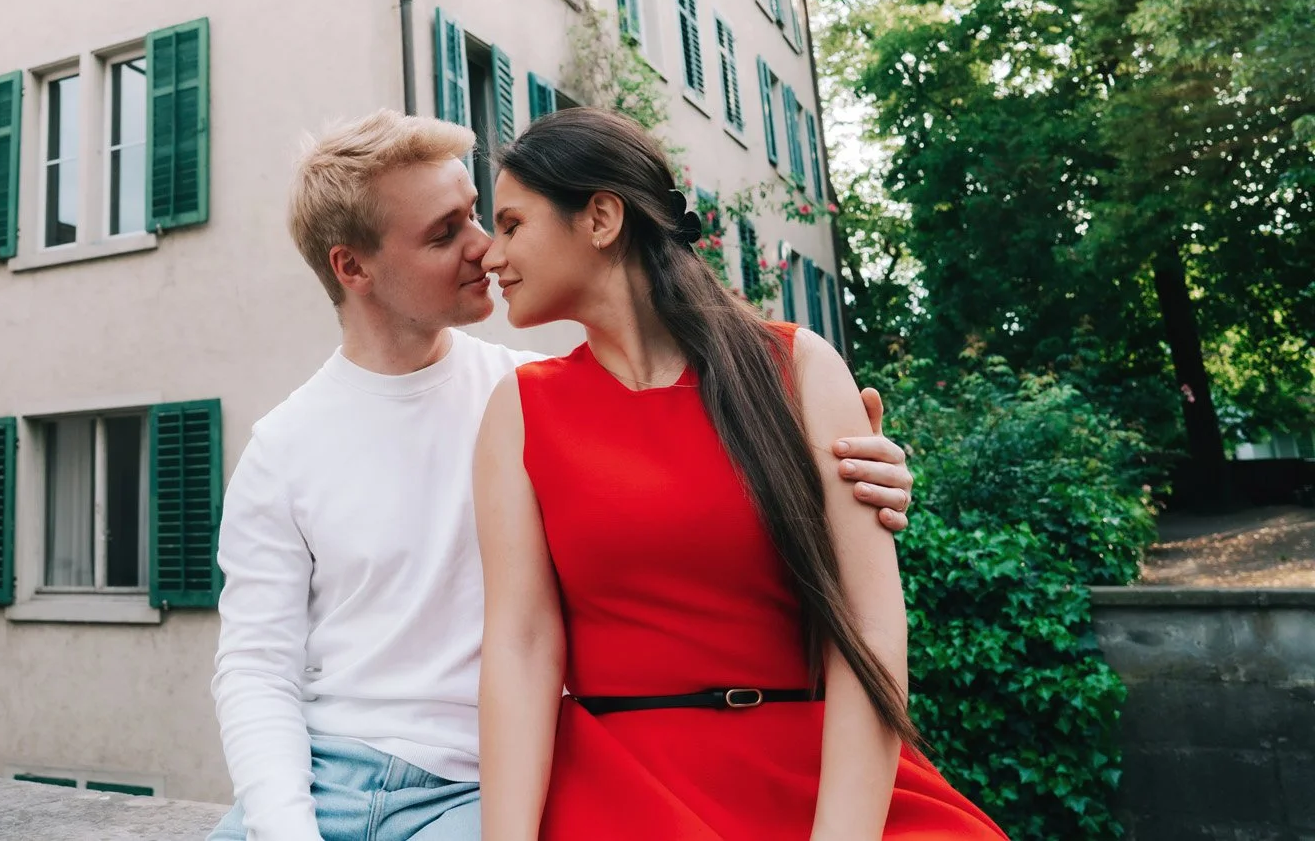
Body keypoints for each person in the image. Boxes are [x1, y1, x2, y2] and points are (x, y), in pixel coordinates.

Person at [209, 111, 916, 841]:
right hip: (330, 773)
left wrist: (866, 475)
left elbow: (693, 458)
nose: (486, 250)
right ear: (352, 268)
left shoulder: (528, 396)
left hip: (479, 785)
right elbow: (256, 667)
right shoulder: (285, 446)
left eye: (490, 219)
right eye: (446, 232)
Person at [473, 108, 1006, 840]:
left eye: (510, 224)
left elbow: (873, 628)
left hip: (828, 775)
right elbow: (522, 644)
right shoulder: (520, 410)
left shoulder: (802, 367)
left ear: (599, 217)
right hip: (627, 788)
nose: (490, 255)